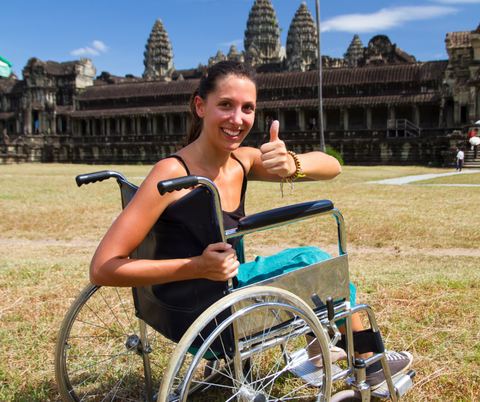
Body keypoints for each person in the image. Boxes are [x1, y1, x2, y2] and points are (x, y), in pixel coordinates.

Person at [89, 60, 412, 390]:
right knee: (316, 263)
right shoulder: (171, 174)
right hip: (211, 313)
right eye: (225, 105)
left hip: (199, 306)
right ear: (200, 106)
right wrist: (198, 266)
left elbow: (332, 167)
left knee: (304, 271)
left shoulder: (242, 160)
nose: (237, 119)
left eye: (248, 108)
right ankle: (370, 360)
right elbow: (102, 268)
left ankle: (318, 349)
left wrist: (291, 164)